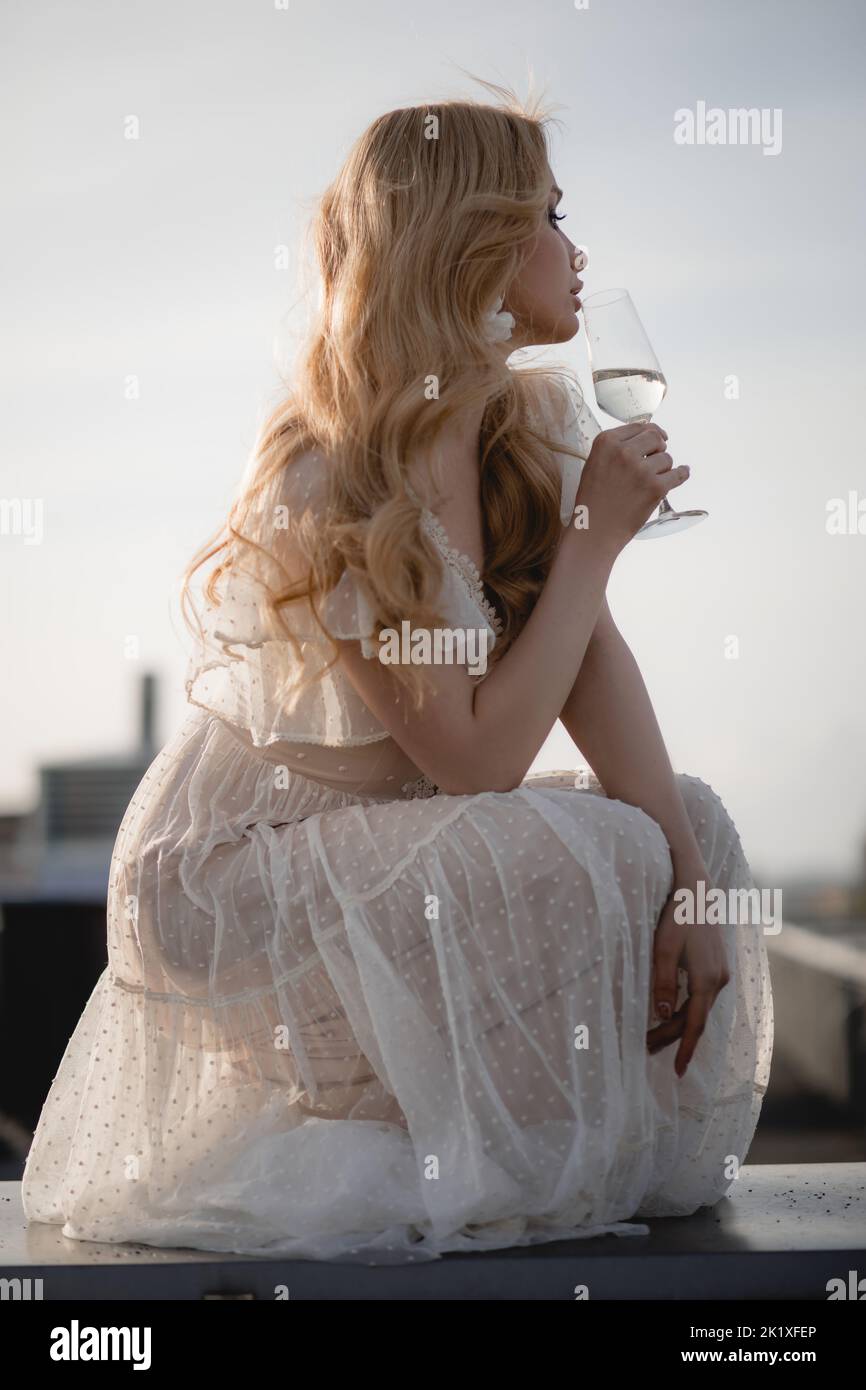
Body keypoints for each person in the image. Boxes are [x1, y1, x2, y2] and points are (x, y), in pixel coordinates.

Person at [21, 87, 773, 1265]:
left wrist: (686, 877)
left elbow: (588, 659)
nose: (574, 253)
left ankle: (521, 1159)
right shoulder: (341, 467)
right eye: (548, 217)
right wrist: (592, 541)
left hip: (394, 831)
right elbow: (475, 758)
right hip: (233, 866)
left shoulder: (512, 425)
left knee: (696, 832)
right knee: (597, 848)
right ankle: (490, 1168)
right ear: (470, 237)